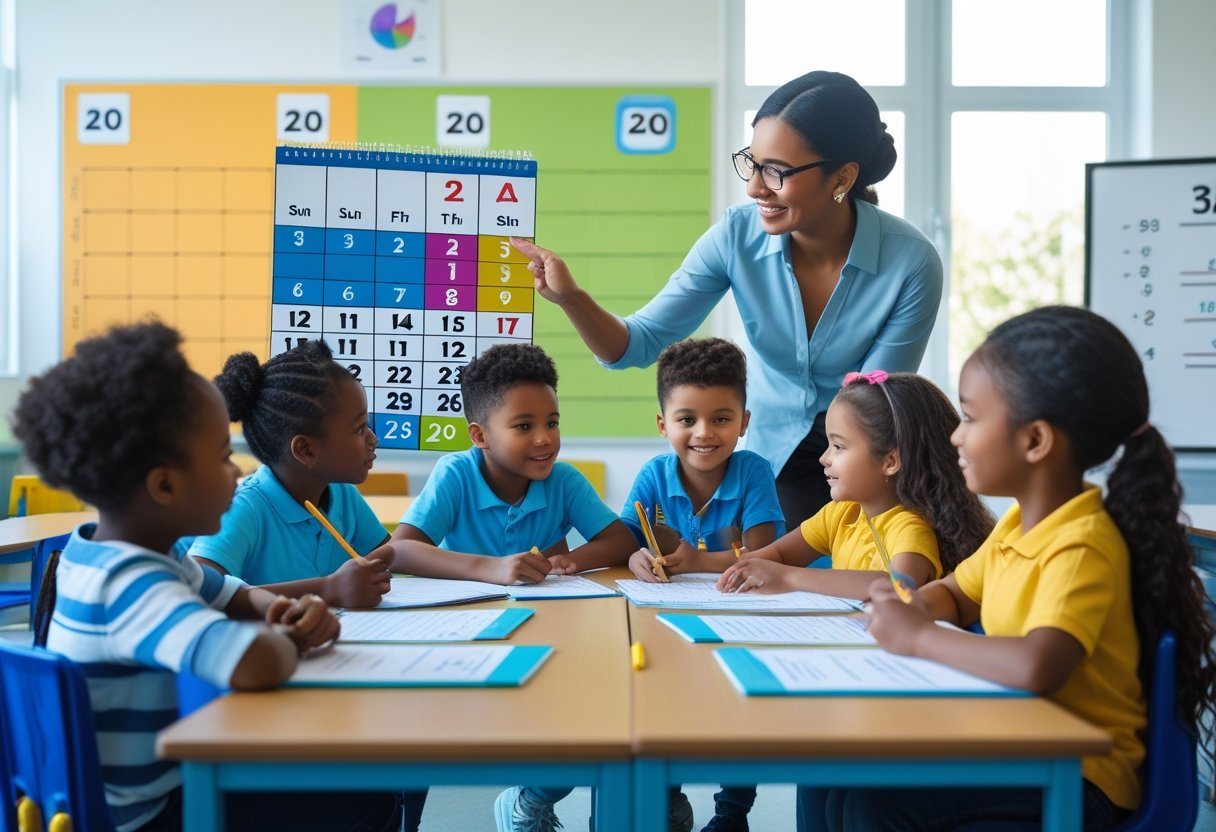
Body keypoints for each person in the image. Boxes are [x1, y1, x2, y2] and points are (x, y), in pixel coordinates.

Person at [833, 306, 1216, 830]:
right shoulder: (1018, 526)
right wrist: (913, 606)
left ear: (1035, 441)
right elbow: (958, 593)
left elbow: (1039, 665)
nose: (955, 438)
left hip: (1083, 777)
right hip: (1028, 742)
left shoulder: (1081, 543)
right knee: (844, 786)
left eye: (970, 418)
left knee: (876, 806)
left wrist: (918, 637)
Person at [12, 321, 400, 832]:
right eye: (222, 457)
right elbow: (254, 663)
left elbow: (232, 595)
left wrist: (277, 610)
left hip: (145, 797)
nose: (237, 473)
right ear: (165, 484)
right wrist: (290, 638)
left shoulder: (121, 556)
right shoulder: (132, 586)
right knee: (363, 800)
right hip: (150, 818)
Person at [513, 70, 942, 531]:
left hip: (861, 457)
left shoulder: (912, 263)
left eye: (777, 171)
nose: (755, 187)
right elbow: (636, 345)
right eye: (752, 163)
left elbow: (871, 405)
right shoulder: (736, 236)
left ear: (842, 176)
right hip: (767, 454)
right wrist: (571, 298)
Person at [717, 371, 993, 600]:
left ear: (891, 461)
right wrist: (742, 567)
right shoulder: (841, 514)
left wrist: (790, 577)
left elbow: (899, 587)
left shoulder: (909, 526)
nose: (824, 458)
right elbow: (778, 554)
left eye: (838, 446)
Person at [390, 343, 636, 583]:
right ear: (480, 436)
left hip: (545, 612)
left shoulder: (563, 481)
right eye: (524, 426)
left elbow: (623, 542)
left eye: (552, 423)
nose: (544, 439)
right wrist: (489, 567)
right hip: (466, 616)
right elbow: (398, 551)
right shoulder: (456, 474)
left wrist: (567, 560)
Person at [189, 341, 393, 610]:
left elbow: (392, 553)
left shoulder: (341, 493)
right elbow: (196, 595)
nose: (373, 439)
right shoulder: (245, 508)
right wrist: (329, 589)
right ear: (305, 450)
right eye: (358, 429)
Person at [625, 337, 784, 590]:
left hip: (741, 605)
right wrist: (633, 556)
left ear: (743, 423)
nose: (703, 433)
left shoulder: (754, 472)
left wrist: (699, 562)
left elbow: (764, 553)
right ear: (663, 425)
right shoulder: (653, 474)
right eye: (687, 420)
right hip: (666, 601)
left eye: (720, 419)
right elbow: (624, 539)